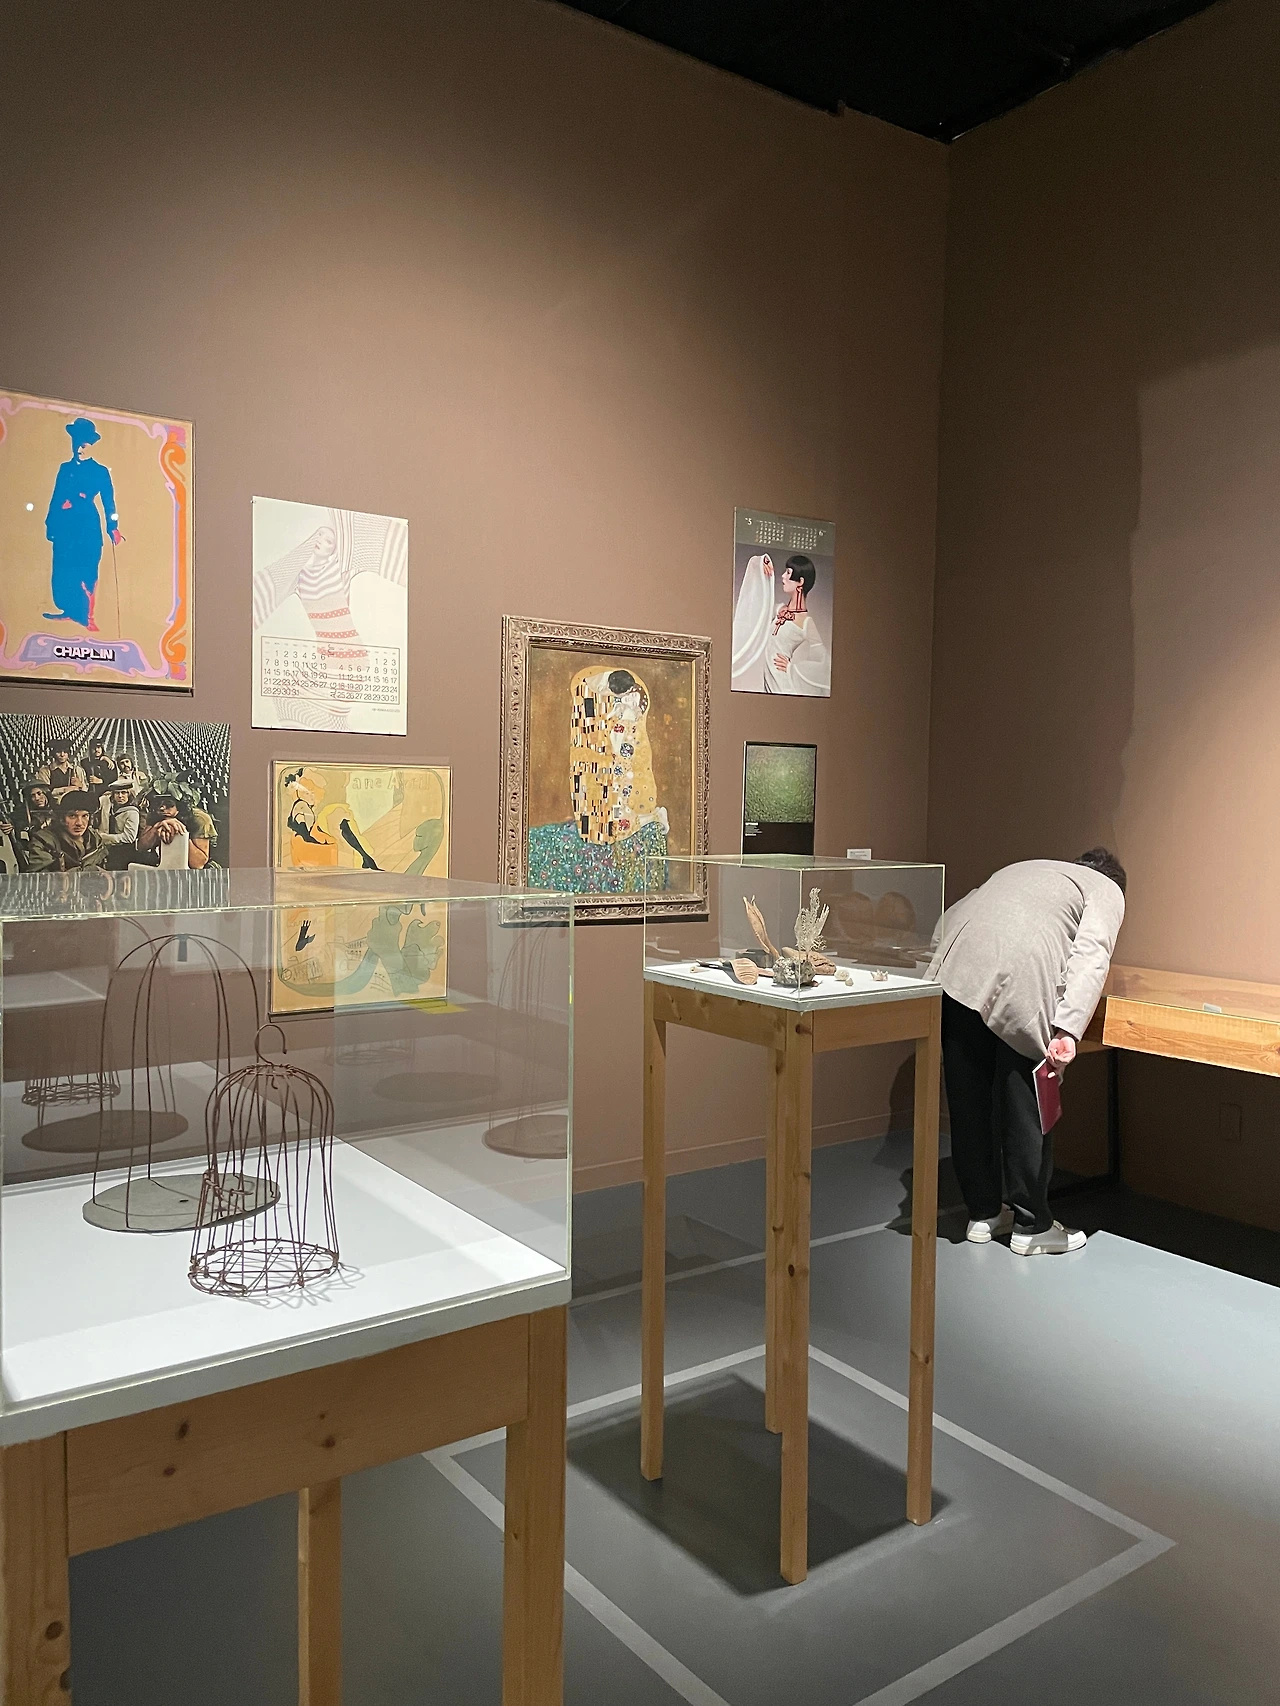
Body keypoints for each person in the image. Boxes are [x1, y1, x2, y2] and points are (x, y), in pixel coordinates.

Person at [928, 849, 1127, 1256]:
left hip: (956, 972)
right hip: (1022, 982)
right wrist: (1069, 1028)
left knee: (969, 1099)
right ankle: (1032, 1225)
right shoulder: (1106, 888)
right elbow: (1092, 955)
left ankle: (983, 1213)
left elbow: (951, 917)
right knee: (1027, 1099)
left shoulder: (1025, 866)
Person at [43, 416, 124, 631]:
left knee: (87, 569)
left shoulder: (100, 471)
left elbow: (109, 502)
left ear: (92, 446)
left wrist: (113, 527)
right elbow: (55, 498)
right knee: (64, 570)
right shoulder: (64, 468)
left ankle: (88, 617)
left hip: (87, 526)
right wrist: (50, 524)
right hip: (65, 528)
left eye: (84, 444)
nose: (79, 448)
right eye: (76, 442)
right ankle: (70, 611)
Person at [732, 552, 831, 695]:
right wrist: (760, 564)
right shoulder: (778, 610)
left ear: (800, 582)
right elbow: (755, 604)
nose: (783, 576)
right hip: (769, 684)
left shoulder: (806, 622)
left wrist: (792, 668)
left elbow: (824, 663)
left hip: (784, 686)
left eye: (788, 573)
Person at [23, 791, 111, 872]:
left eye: (85, 816)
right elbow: (41, 878)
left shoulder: (95, 840)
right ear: (62, 818)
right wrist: (93, 870)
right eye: (72, 816)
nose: (79, 823)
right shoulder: (44, 841)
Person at [134, 794, 209, 868]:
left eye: (169, 804)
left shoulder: (198, 818)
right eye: (158, 803)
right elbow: (141, 847)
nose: (162, 808)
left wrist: (181, 833)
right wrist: (156, 828)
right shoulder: (156, 814)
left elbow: (198, 864)